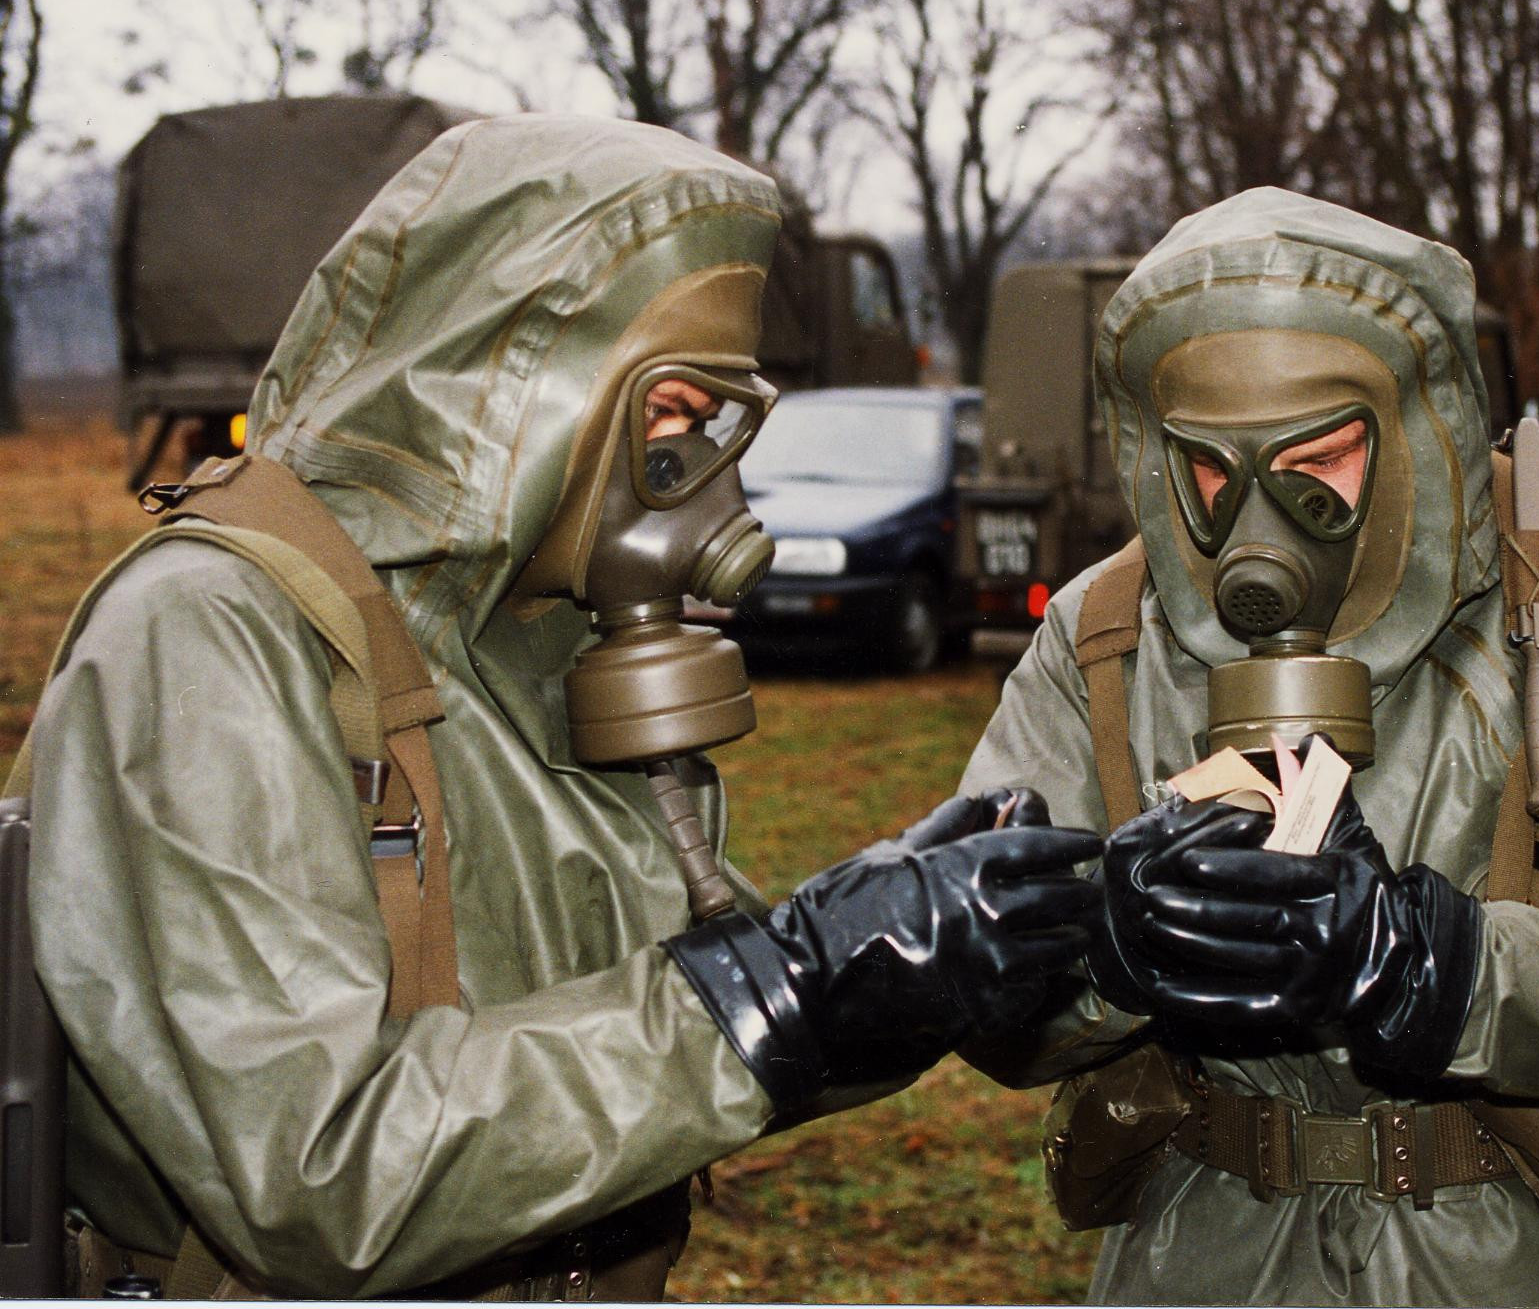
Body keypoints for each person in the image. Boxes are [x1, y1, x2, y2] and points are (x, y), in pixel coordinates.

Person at [24, 115, 1097, 1299]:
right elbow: (321, 1175)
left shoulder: (526, 641)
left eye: (724, 426)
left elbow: (687, 1030)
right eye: (676, 417)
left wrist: (910, 946)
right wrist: (791, 981)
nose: (711, 486)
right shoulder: (210, 635)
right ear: (515, 386)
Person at [958, 188, 1539, 1305]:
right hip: (1205, 1248)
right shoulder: (1105, 640)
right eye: (1210, 472)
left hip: (1523, 1248)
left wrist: (1437, 967)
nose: (1256, 524)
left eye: (1319, 461)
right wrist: (1109, 950)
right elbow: (974, 951)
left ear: (1419, 431)